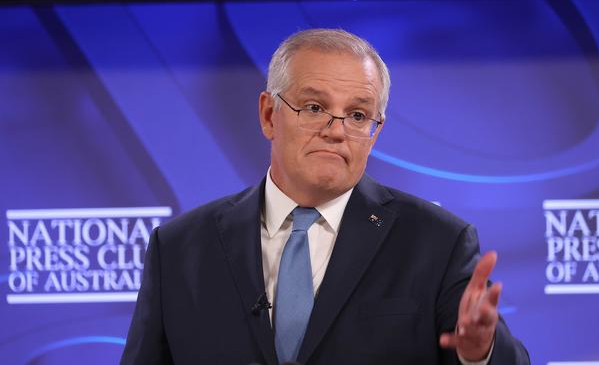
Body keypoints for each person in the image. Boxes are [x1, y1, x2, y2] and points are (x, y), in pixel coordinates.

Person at [121, 28, 529, 365]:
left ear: (375, 132)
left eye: (357, 115)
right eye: (314, 106)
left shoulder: (437, 243)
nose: (336, 130)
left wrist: (480, 354)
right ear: (268, 115)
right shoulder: (178, 249)